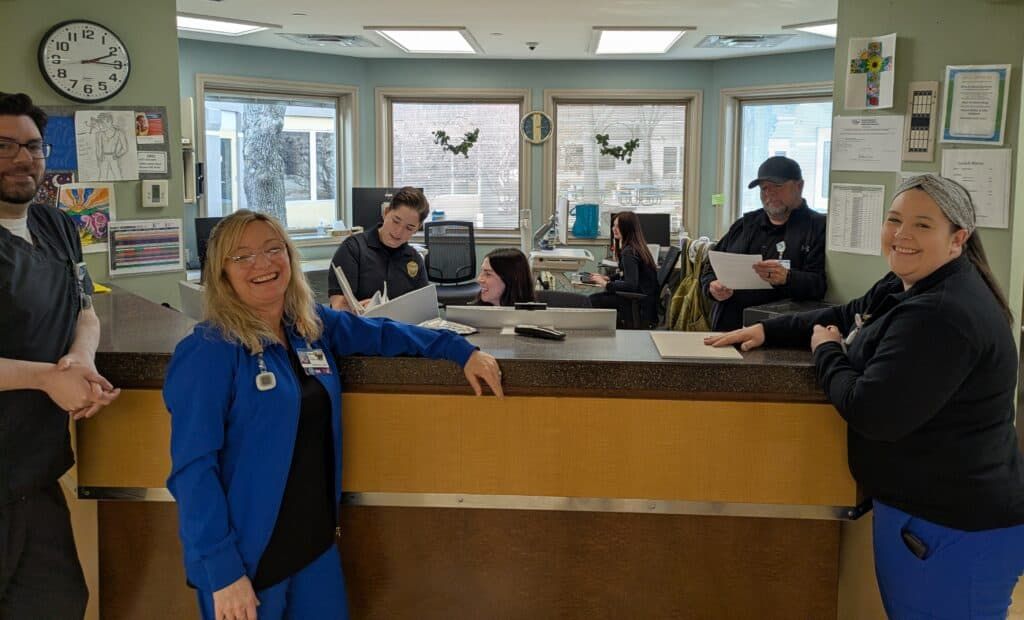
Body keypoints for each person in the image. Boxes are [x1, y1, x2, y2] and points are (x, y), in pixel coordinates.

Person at [707, 174, 1024, 618]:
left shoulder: (940, 313)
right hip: (928, 514)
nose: (902, 235)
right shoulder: (908, 285)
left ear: (958, 239)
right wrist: (767, 328)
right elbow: (845, 313)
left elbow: (870, 409)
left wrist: (827, 352)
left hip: (954, 525)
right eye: (894, 220)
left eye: (922, 225)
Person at [163, 209, 503, 620]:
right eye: (243, 256)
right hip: (247, 562)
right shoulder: (210, 351)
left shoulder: (309, 326)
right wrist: (222, 572)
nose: (264, 264)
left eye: (274, 249)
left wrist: (458, 350)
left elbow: (382, 333)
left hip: (313, 546)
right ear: (221, 272)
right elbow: (193, 473)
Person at [0, 92, 120, 617]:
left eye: (32, 146)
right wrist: (48, 378)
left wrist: (81, 360)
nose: (23, 159)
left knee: (58, 602)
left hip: (33, 475)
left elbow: (85, 310)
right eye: (4, 146)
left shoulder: (56, 226)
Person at [700, 155, 826, 331]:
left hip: (779, 332)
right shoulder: (745, 225)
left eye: (777, 187)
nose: (769, 194)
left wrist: (788, 278)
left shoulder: (817, 228)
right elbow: (709, 268)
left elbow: (819, 285)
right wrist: (712, 287)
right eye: (764, 188)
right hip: (729, 328)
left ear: (799, 186)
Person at [328, 186, 429, 310]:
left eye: (409, 228)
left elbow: (423, 308)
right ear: (386, 213)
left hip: (400, 328)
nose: (398, 232)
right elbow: (338, 306)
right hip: (362, 326)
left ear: (417, 229)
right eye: (396, 221)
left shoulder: (414, 258)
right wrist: (361, 310)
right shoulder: (353, 249)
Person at [588, 211, 659, 327]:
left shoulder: (629, 252)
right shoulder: (636, 246)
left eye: (618, 226)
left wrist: (606, 284)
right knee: (598, 298)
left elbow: (631, 285)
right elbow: (627, 273)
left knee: (591, 300)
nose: (614, 229)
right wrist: (608, 278)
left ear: (627, 228)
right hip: (644, 301)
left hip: (637, 301)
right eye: (614, 225)